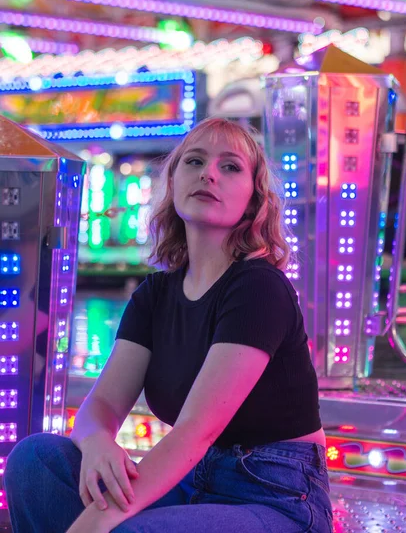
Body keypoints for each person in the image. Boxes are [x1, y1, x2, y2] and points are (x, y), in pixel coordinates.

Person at [4, 118, 333, 533]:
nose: (208, 173)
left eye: (230, 167)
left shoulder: (259, 287)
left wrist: (92, 524)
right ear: (173, 182)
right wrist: (99, 441)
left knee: (126, 530)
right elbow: (100, 408)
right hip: (190, 480)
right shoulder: (156, 294)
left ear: (252, 199)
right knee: (36, 461)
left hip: (276, 495)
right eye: (194, 161)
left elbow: (195, 431)